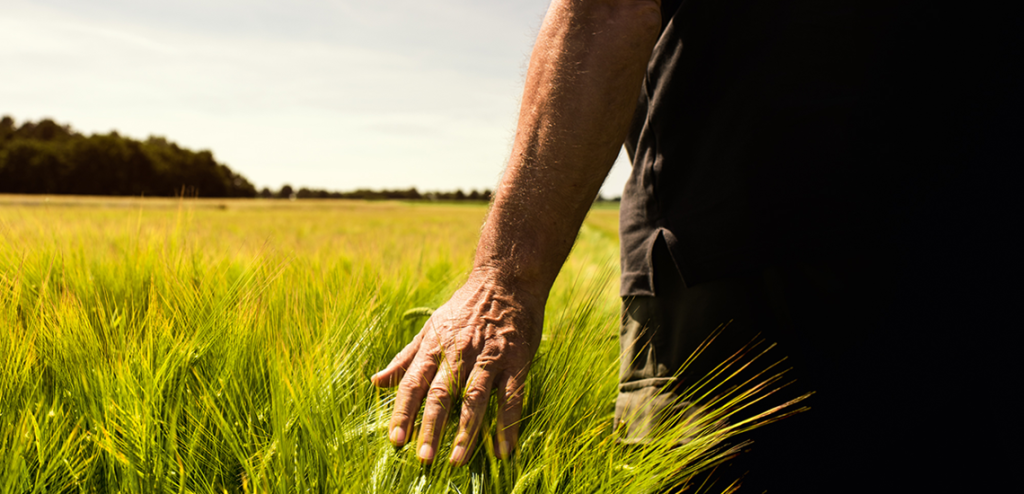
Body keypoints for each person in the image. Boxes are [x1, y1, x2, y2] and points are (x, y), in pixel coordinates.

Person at [371, 0, 1017, 491]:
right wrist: (507, 275)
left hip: (740, 291)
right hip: (885, 276)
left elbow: (604, 9)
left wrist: (505, 278)